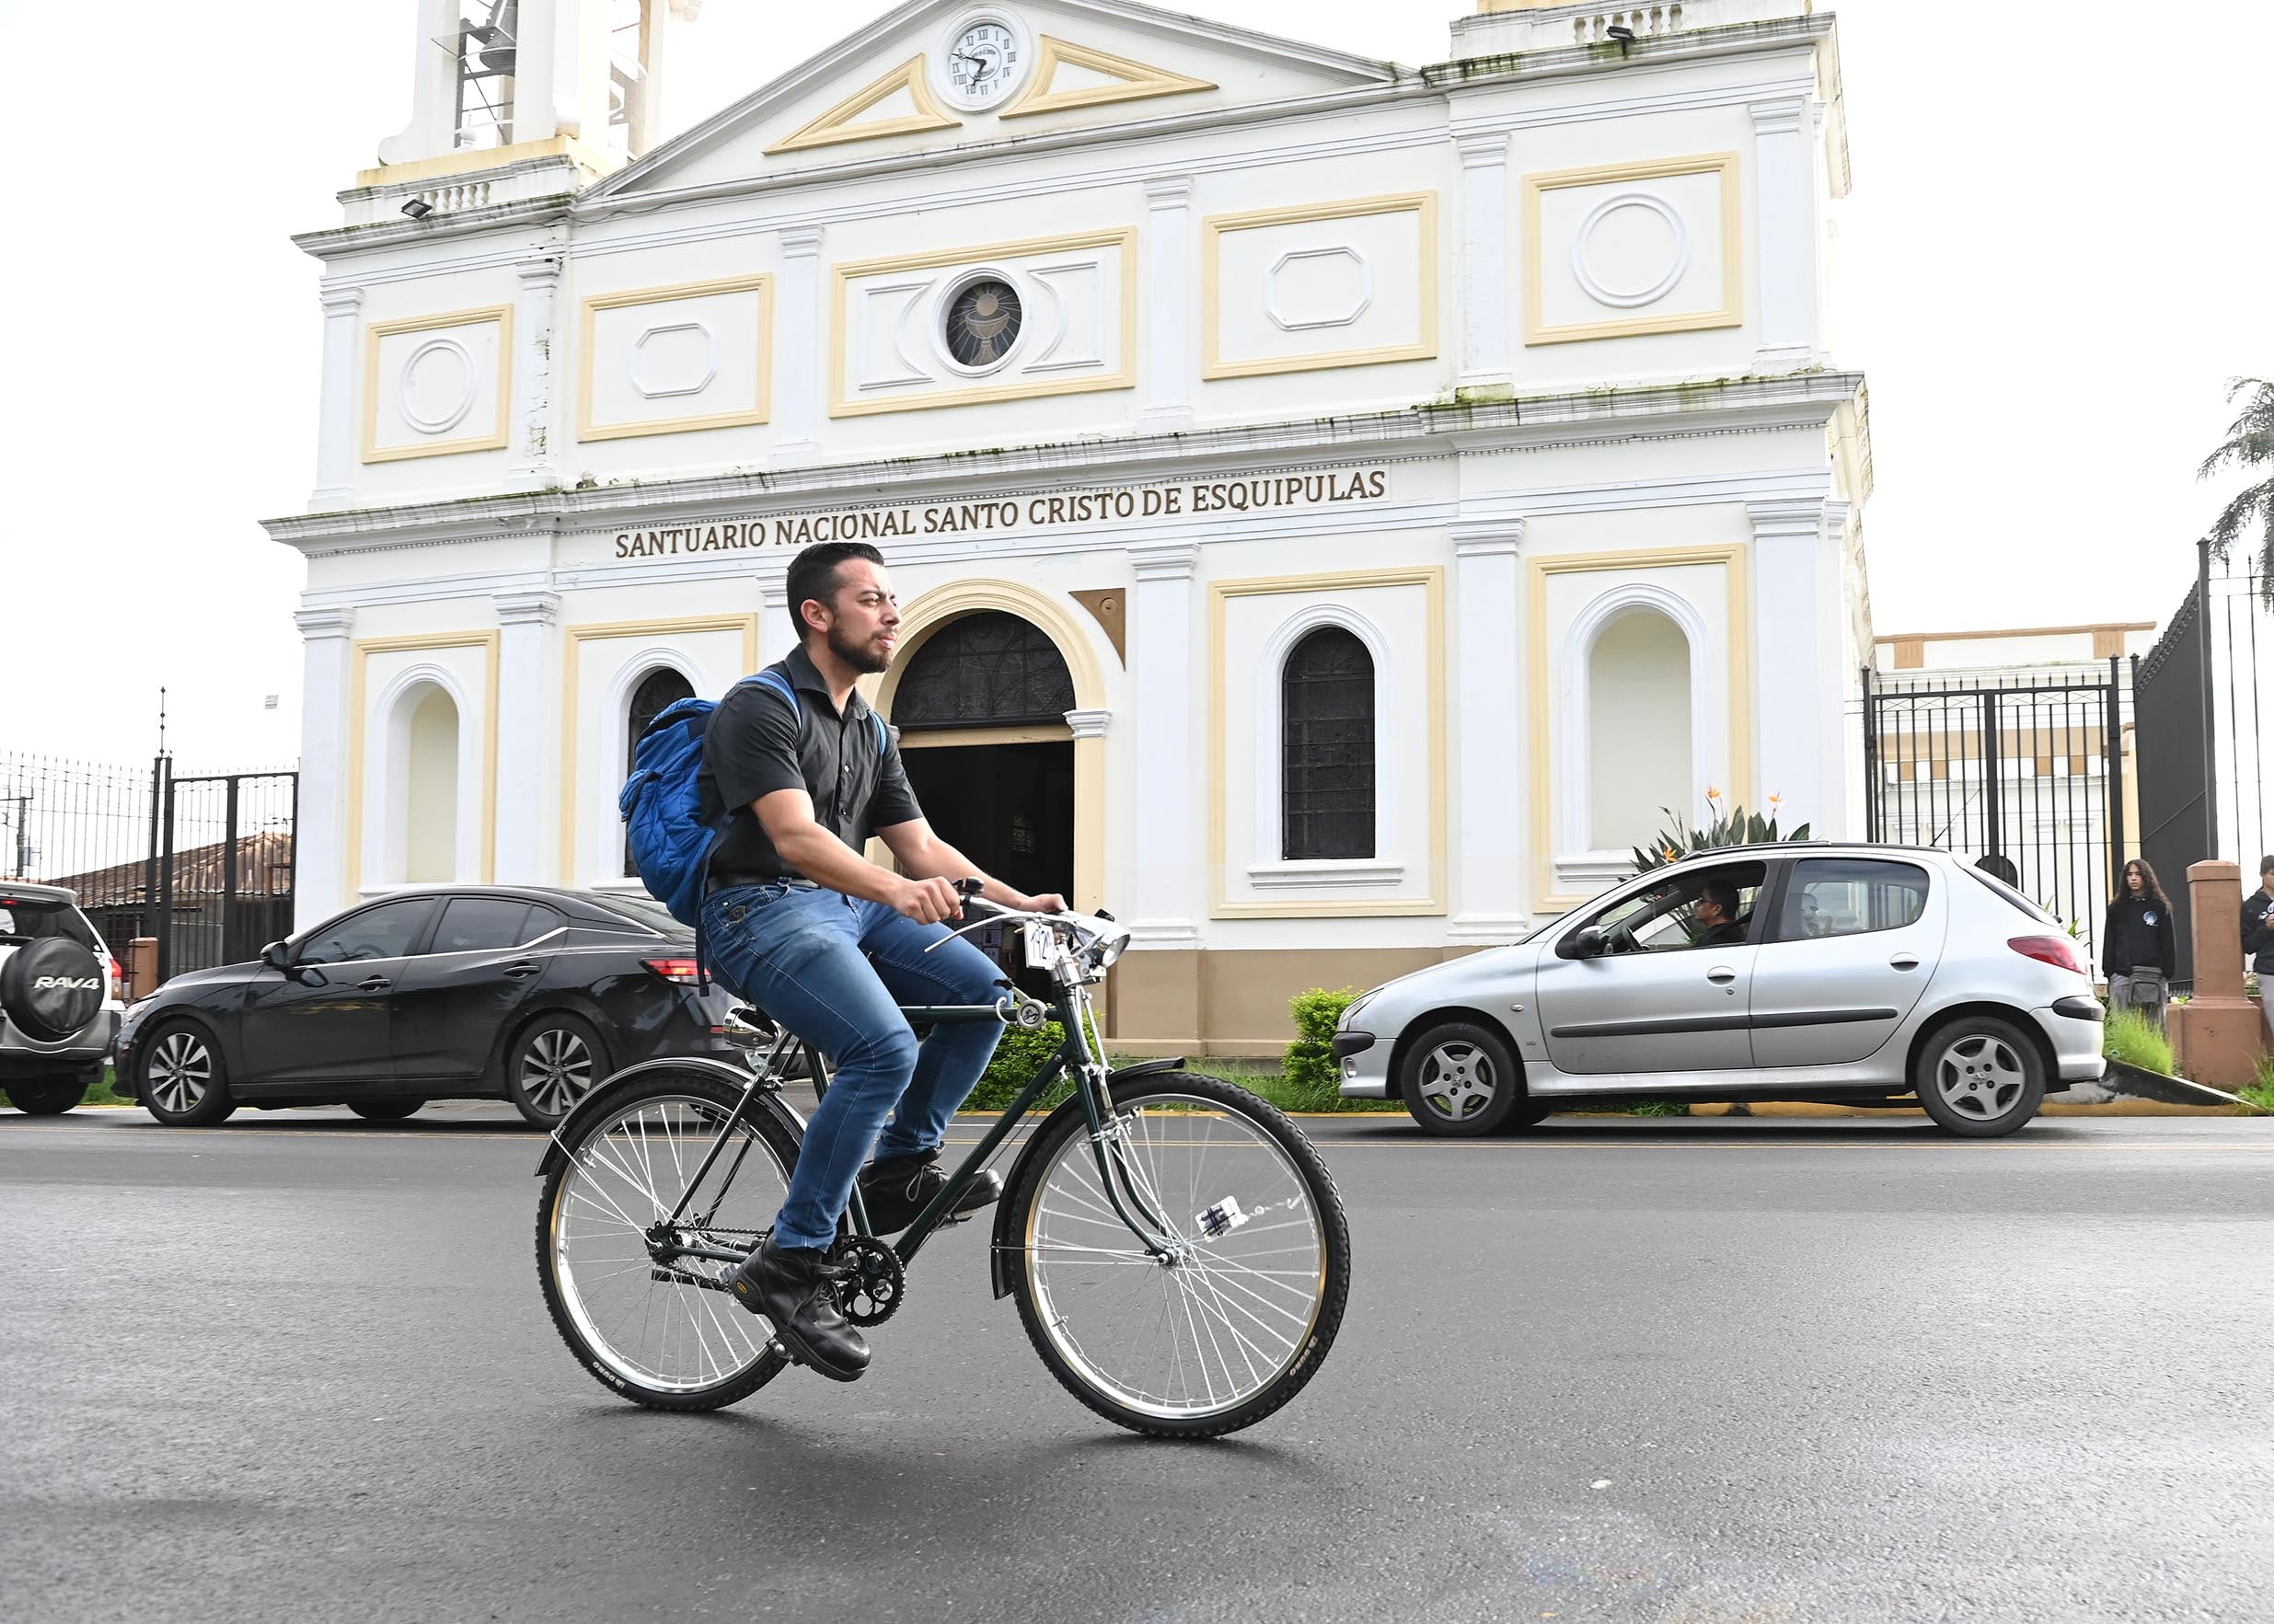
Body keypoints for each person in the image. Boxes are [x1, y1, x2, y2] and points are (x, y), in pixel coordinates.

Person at [702, 541, 1068, 1383]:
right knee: (882, 1046)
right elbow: (794, 839)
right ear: (817, 615)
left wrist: (1025, 904)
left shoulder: (870, 727)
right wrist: (895, 892)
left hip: (847, 907)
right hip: (757, 908)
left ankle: (900, 1165)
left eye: (893, 598)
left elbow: (922, 847)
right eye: (872, 600)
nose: (892, 613)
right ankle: (788, 1264)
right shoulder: (759, 708)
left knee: (983, 991)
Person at [2101, 858, 2176, 1026]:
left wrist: (2166, 972)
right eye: (2130, 874)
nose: (2133, 878)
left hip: (2152, 975)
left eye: (2138, 874)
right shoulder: (2116, 908)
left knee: (2154, 1028)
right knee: (2123, 1027)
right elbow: (2110, 941)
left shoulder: (2159, 906)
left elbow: (2167, 941)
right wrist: (2109, 972)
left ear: (2146, 877)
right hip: (2121, 975)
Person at [2244, 856, 2274, 1039]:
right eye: (2272, 874)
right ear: (2262, 875)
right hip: (2269, 971)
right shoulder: (2251, 906)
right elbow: (2248, 945)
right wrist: (2267, 928)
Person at [1692, 879, 1748, 947]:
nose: (1697, 904)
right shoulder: (1740, 935)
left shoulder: (1710, 942)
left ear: (1717, 909)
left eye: (1702, 900)